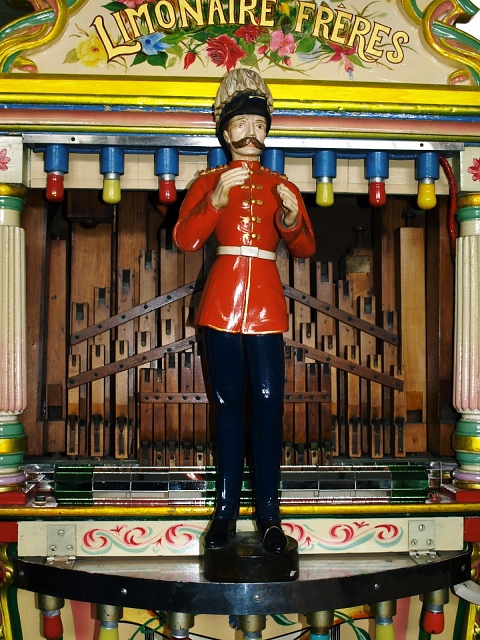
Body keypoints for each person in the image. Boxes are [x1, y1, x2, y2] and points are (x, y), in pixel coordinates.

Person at [173, 69, 316, 555]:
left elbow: (305, 247)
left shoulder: (282, 184)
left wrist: (291, 220)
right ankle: (225, 513)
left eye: (258, 123)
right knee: (228, 405)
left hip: (267, 307)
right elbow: (185, 239)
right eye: (240, 124)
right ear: (225, 131)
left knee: (270, 405)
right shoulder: (208, 182)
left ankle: (270, 516)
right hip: (221, 302)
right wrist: (214, 202)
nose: (250, 132)